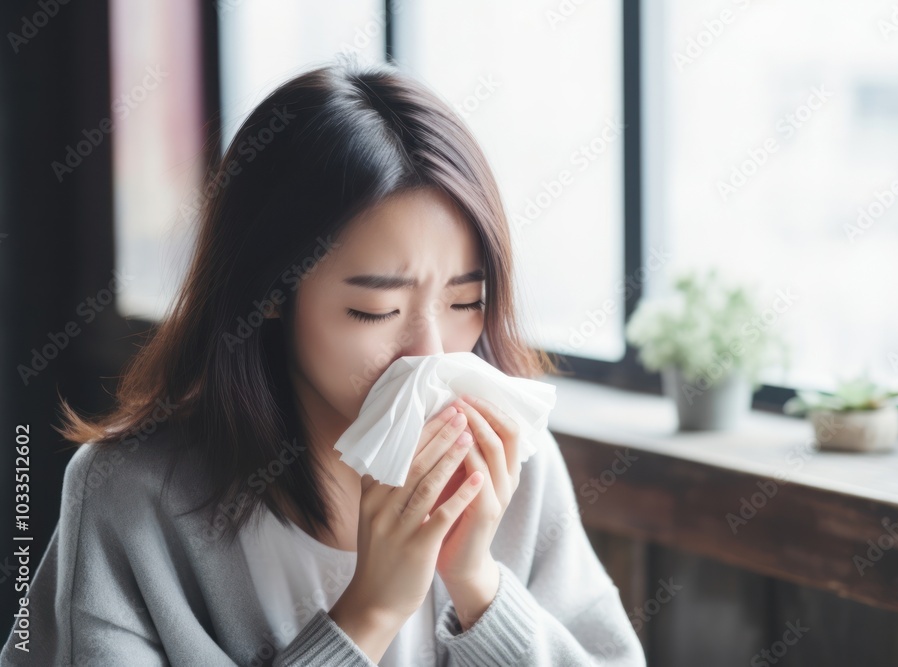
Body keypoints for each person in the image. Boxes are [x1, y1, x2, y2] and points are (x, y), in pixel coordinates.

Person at [0, 57, 646, 666]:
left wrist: (480, 588)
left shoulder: (514, 464)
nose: (429, 352)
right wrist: (369, 612)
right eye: (374, 310)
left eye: (465, 301)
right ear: (271, 292)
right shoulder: (131, 496)